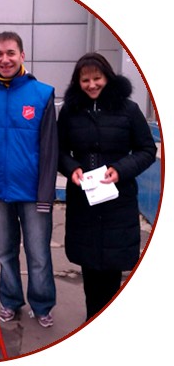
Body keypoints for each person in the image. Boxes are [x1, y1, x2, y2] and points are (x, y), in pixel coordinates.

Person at [57, 52, 156, 321]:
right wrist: (71, 168)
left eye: (97, 78)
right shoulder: (70, 110)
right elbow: (58, 149)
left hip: (118, 202)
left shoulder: (129, 109)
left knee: (112, 272)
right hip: (84, 202)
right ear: (78, 82)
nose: (92, 85)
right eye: (85, 80)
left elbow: (147, 149)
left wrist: (120, 170)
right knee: (90, 271)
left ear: (108, 77)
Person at [0, 31, 57, 328]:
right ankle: (10, 301)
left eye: (10, 53)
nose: (4, 59)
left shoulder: (42, 94)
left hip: (34, 193)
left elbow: (50, 151)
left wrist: (47, 195)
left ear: (22, 55)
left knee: (38, 253)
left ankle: (42, 304)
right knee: (5, 252)